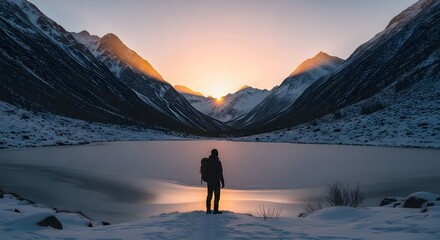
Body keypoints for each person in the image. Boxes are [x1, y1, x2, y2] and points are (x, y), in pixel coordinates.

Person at [206, 149, 225, 214]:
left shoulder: (208, 161)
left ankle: (208, 210)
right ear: (216, 154)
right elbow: (220, 173)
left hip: (209, 181)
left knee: (209, 195)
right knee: (217, 196)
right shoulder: (218, 162)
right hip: (216, 181)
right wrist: (222, 182)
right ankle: (215, 210)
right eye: (217, 153)